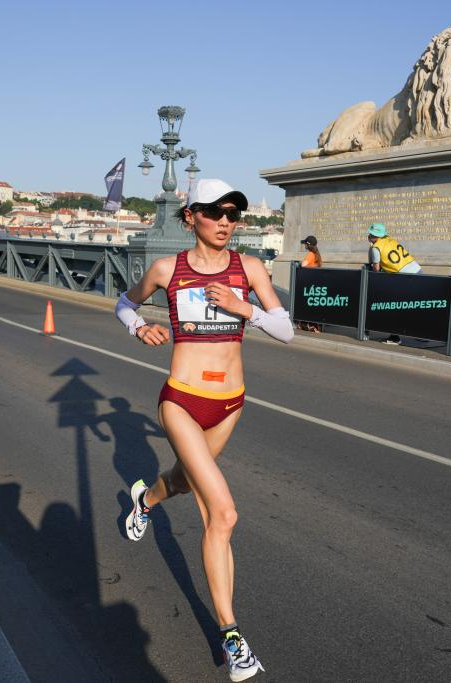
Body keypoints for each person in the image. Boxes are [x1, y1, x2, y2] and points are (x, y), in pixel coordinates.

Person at [114, 179, 293, 682]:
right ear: (191, 215)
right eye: (215, 212)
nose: (225, 222)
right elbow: (124, 304)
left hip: (230, 403)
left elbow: (286, 330)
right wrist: (139, 327)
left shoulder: (249, 268)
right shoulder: (166, 269)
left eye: (233, 214)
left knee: (183, 480)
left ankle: (145, 500)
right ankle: (232, 637)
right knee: (224, 512)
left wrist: (244, 309)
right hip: (181, 400)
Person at [367, 223, 421, 344]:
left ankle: (395, 338)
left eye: (370, 234)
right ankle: (423, 333)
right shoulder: (390, 240)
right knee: (416, 305)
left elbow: (376, 268)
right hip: (417, 271)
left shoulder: (376, 247)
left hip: (404, 278)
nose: (368, 236)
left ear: (374, 236)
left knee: (394, 307)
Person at [299, 235, 322, 332]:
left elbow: (303, 265)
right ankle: (314, 326)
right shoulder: (317, 255)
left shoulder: (311, 254)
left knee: (306, 304)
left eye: (305, 243)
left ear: (308, 245)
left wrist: (299, 264)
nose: (304, 245)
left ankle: (308, 325)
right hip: (315, 282)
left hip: (309, 283)